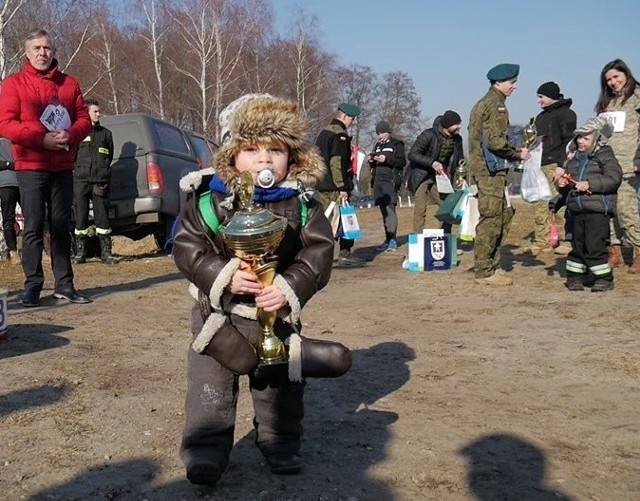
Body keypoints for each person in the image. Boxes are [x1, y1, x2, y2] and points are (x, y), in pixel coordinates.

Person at [173, 96, 351, 486]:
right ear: (232, 154)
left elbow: (319, 251)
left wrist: (290, 287)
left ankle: (279, 441)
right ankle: (205, 451)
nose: (265, 160)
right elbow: (187, 248)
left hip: (278, 313)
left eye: (275, 150)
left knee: (281, 385)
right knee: (210, 385)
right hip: (219, 316)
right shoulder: (208, 200)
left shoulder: (301, 203)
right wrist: (222, 275)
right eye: (251, 149)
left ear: (293, 155)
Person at [0, 28, 92, 306]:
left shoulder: (69, 84)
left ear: (54, 52)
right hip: (30, 166)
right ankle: (33, 286)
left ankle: (65, 285)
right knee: (34, 227)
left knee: (62, 226)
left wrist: (71, 135)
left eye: (47, 48)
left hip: (63, 166)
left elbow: (83, 118)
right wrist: (41, 139)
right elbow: (5, 123)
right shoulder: (14, 84)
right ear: (27, 53)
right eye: (37, 48)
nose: (43, 53)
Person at [468, 63, 531, 286]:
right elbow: (495, 142)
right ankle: (484, 271)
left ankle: (492, 265)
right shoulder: (495, 106)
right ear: (498, 83)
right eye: (512, 82)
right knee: (492, 218)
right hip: (489, 171)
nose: (515, 86)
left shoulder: (488, 103)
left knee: (502, 216)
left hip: (489, 170)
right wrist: (517, 153)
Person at [556, 116, 621, 292]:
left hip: (597, 210)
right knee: (577, 246)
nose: (580, 141)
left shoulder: (605, 155)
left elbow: (614, 179)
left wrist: (590, 184)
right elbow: (570, 183)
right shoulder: (574, 159)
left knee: (595, 246)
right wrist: (562, 184)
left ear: (597, 139)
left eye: (585, 138)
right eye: (578, 137)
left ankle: (604, 278)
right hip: (576, 210)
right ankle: (575, 276)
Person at [594, 59, 640, 273]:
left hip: (630, 163)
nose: (613, 82)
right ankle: (614, 250)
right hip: (607, 164)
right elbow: (598, 132)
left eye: (616, 77)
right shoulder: (607, 104)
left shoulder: (637, 97)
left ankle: (638, 250)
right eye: (608, 80)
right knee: (608, 209)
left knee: (626, 209)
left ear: (626, 74)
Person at [527, 81, 576, 256]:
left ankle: (568, 241)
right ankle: (543, 241)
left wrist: (562, 166)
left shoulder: (567, 114)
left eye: (541, 97)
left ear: (551, 95)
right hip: (540, 163)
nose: (538, 100)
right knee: (540, 204)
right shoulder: (540, 117)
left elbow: (570, 142)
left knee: (561, 203)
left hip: (557, 165)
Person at [315, 102, 363, 266]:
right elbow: (337, 162)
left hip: (322, 184)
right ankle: (343, 254)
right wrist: (342, 186)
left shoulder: (323, 133)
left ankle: (322, 255)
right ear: (344, 116)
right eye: (352, 119)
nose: (352, 122)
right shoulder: (340, 135)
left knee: (325, 221)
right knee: (342, 220)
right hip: (335, 187)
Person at [407, 110, 464, 235]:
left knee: (447, 206)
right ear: (447, 125)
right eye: (457, 124)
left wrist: (461, 174)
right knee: (420, 209)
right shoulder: (428, 135)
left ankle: (446, 239)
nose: (459, 127)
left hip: (440, 177)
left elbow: (460, 159)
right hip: (420, 175)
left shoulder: (458, 139)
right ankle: (418, 240)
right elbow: (412, 154)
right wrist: (432, 163)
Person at [73, 99, 115, 264]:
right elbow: (72, 155)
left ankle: (106, 253)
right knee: (80, 217)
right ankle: (80, 253)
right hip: (81, 181)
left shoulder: (106, 134)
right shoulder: (79, 133)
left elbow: (109, 156)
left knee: (102, 218)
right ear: (87, 113)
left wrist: (103, 172)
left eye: (99, 111)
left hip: (100, 181)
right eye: (95, 111)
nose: (98, 114)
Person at [368, 120, 406, 251]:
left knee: (390, 210)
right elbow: (374, 165)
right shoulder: (377, 145)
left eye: (382, 133)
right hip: (378, 181)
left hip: (390, 180)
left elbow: (402, 162)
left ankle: (393, 240)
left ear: (388, 132)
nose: (380, 136)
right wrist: (372, 161)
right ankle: (387, 239)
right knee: (383, 211)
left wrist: (386, 159)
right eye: (378, 133)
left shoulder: (397, 144)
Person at [0, 137, 20, 264]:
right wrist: (8, 164)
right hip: (5, 184)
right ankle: (13, 252)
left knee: (33, 217)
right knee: (8, 219)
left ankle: (40, 250)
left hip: (23, 182)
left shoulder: (17, 139)